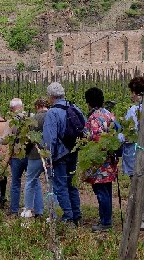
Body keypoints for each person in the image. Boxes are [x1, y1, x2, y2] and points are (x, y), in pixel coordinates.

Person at [42, 82, 85, 225]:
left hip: (59, 155)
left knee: (61, 186)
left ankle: (68, 217)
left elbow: (50, 138)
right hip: (73, 152)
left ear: (50, 97)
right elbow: (84, 128)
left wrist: (48, 157)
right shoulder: (73, 107)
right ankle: (77, 215)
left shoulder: (52, 113)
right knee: (72, 184)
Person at [120, 76, 144, 231]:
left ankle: (143, 220)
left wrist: (117, 138)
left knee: (137, 187)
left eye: (132, 92)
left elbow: (128, 135)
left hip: (135, 154)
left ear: (136, 93)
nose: (131, 95)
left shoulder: (134, 110)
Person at [83, 87, 118, 232]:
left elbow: (96, 139)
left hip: (99, 161)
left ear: (89, 102)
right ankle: (105, 218)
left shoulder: (94, 118)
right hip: (110, 159)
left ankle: (105, 222)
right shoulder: (109, 114)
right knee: (107, 190)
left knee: (101, 191)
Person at [21, 98, 49, 218]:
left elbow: (29, 139)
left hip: (35, 155)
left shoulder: (34, 119)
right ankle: (52, 212)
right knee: (51, 183)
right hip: (50, 154)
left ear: (37, 107)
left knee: (30, 181)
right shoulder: (52, 116)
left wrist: (26, 152)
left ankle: (28, 209)